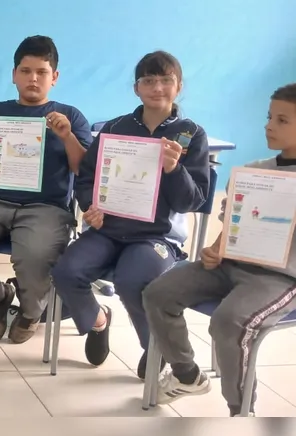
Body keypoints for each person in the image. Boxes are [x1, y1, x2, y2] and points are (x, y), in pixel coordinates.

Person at [50, 51, 211, 378]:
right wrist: (90, 207)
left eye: (165, 80)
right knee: (67, 270)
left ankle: (154, 346)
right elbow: (87, 177)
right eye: (148, 80)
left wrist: (174, 168)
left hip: (156, 236)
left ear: (178, 86)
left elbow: (191, 201)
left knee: (133, 279)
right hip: (108, 229)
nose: (157, 87)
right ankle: (97, 321)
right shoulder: (116, 127)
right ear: (136, 88)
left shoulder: (191, 134)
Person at [142, 83, 296, 417]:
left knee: (228, 323)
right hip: (231, 265)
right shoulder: (255, 171)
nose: (269, 125)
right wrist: (215, 248)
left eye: (283, 120)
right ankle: (186, 374)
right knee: (158, 293)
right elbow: (233, 226)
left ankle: (241, 413)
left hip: (282, 279)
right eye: (270, 117)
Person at [0, 36, 91, 343]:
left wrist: (67, 137)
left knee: (35, 253)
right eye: (25, 71)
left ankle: (31, 310)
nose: (33, 78)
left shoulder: (70, 116)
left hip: (45, 207)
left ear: (55, 77)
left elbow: (84, 170)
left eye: (41, 72)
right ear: (13, 75)